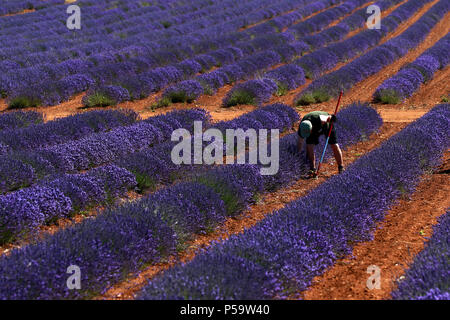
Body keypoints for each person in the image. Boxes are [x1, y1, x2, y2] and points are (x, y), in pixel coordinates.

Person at [297, 111, 344, 177]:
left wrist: (332, 118)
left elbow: (329, 117)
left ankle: (341, 167)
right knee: (309, 145)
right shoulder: (302, 127)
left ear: (311, 128)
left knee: (334, 145)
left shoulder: (320, 118)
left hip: (327, 125)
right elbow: (300, 142)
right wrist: (298, 154)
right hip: (313, 127)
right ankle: (312, 169)